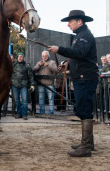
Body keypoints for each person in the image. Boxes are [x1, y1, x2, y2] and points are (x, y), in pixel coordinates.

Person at [48, 10, 98, 157]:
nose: (68, 24)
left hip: (85, 78)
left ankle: (86, 147)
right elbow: (79, 57)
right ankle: (88, 143)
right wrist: (67, 67)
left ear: (80, 22)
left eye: (71, 21)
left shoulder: (85, 36)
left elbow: (79, 53)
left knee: (84, 110)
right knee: (83, 109)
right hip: (81, 77)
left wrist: (59, 49)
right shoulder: (80, 36)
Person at [33, 50, 58, 116]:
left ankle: (51, 113)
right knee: (41, 99)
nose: (44, 57)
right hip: (41, 84)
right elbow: (34, 70)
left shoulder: (52, 62)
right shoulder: (39, 62)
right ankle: (42, 113)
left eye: (46, 56)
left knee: (51, 99)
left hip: (50, 84)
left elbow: (56, 71)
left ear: (48, 56)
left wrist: (48, 65)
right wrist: (39, 65)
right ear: (42, 56)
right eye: (43, 56)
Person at [11, 53, 35, 120]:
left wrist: (32, 84)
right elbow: (9, 74)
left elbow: (31, 76)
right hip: (15, 85)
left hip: (24, 85)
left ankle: (24, 114)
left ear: (23, 58)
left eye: (21, 57)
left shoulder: (27, 66)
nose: (20, 58)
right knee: (17, 101)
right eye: (19, 57)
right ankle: (19, 113)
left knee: (24, 100)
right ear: (17, 58)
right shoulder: (13, 65)